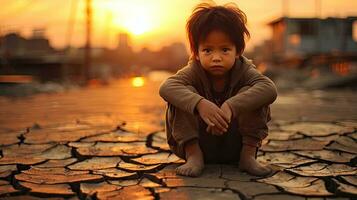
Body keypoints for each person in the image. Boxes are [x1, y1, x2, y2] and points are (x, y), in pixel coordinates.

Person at [159, 2, 277, 177]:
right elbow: (166, 87)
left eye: (225, 50)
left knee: (252, 92)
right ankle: (193, 155)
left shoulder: (244, 69)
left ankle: (248, 156)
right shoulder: (193, 70)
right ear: (196, 53)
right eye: (207, 50)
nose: (216, 58)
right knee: (183, 93)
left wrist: (231, 106)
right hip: (200, 144)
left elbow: (269, 89)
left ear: (238, 51)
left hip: (235, 147)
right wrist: (200, 104)